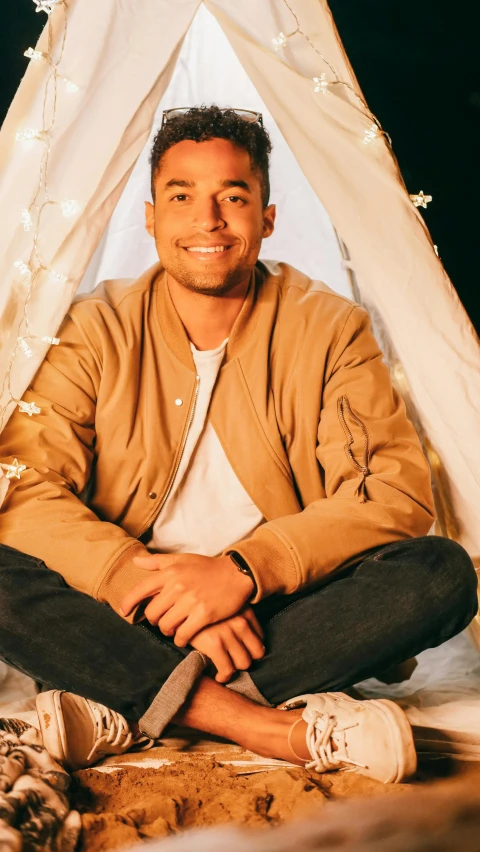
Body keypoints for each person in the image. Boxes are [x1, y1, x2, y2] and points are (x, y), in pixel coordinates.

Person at [0, 106, 476, 783]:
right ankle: (259, 723)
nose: (208, 219)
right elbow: (25, 483)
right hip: (125, 602)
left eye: (233, 196)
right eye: (182, 196)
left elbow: (390, 493)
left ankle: (124, 697)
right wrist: (139, 581)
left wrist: (240, 573)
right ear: (151, 217)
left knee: (441, 576)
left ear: (268, 217)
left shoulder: (332, 327)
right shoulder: (92, 327)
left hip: (269, 610)